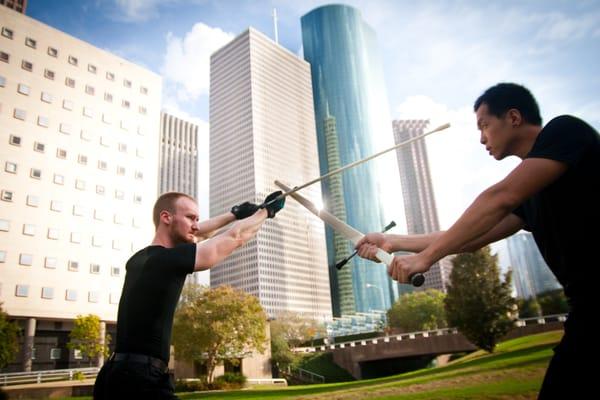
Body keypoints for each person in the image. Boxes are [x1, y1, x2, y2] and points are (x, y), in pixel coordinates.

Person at [356, 82, 599, 398]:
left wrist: (425, 259)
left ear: (513, 117)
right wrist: (392, 241)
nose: (482, 137)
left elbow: (499, 197)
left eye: (485, 125)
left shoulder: (566, 131)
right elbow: (471, 238)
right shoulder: (531, 195)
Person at [93, 191, 285, 399]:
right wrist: (267, 211)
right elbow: (235, 237)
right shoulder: (168, 261)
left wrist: (235, 214)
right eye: (190, 217)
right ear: (166, 217)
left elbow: (196, 233)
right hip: (141, 380)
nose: (196, 224)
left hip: (113, 376)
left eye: (197, 219)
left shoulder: (140, 259)